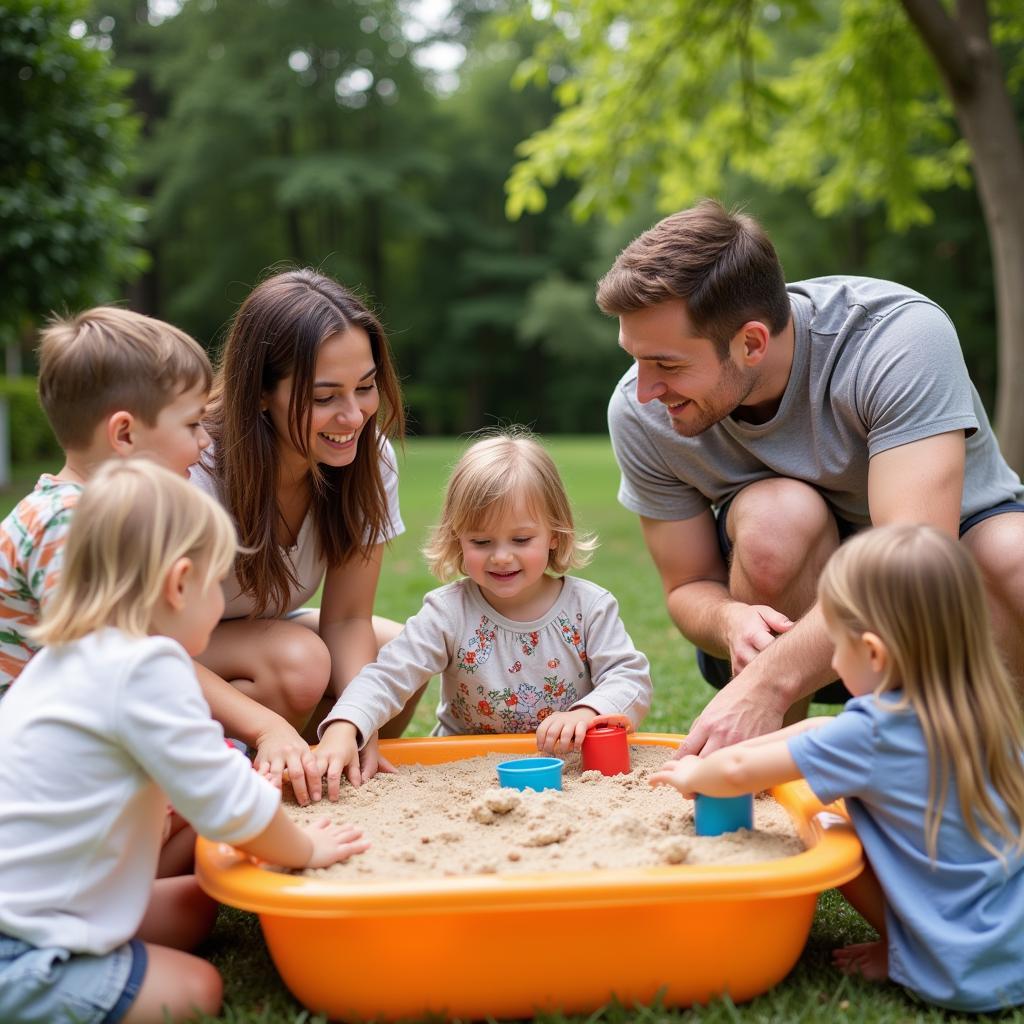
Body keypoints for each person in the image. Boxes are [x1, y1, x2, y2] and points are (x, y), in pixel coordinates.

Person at [602, 199, 1024, 755]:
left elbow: (909, 563)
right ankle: (773, 785)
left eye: (668, 365)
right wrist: (728, 619)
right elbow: (686, 586)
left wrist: (763, 684)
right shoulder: (640, 410)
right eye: (636, 360)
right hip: (792, 603)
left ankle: (991, 764)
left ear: (751, 342)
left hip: (940, 593)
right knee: (778, 516)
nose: (645, 391)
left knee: (1012, 556)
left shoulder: (896, 339)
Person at [0, 460, 368, 1024]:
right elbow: (227, 807)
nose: (223, 608)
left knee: (199, 900)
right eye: (217, 586)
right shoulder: (149, 668)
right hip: (24, 948)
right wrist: (304, 847)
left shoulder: (68, 657)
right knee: (197, 988)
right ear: (178, 585)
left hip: (42, 899)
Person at [650, 525, 1024, 1013]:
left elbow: (742, 768)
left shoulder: (873, 735)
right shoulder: (984, 710)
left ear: (872, 653)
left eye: (836, 646)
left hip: (957, 971)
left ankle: (905, 951)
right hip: (1012, 954)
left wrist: (695, 776)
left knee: (827, 822)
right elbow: (815, 736)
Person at [315, 431, 653, 797]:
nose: (502, 556)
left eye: (521, 540)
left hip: (569, 768)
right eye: (481, 542)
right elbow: (388, 674)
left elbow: (630, 679)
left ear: (554, 534)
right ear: (457, 537)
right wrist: (345, 724)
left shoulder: (588, 608)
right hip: (465, 770)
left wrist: (587, 713)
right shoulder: (448, 612)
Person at [189, 268, 417, 806]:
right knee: (300, 664)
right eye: (324, 397)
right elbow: (141, 645)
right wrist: (267, 726)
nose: (353, 415)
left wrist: (356, 721)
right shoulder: (193, 472)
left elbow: (346, 618)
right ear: (261, 392)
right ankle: (239, 786)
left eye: (365, 388)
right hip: (167, 651)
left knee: (398, 658)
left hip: (254, 637)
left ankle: (318, 775)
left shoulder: (368, 457)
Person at [0, 306, 213, 698]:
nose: (204, 442)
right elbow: (101, 669)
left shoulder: (98, 516)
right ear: (125, 434)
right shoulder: (65, 521)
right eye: (192, 424)